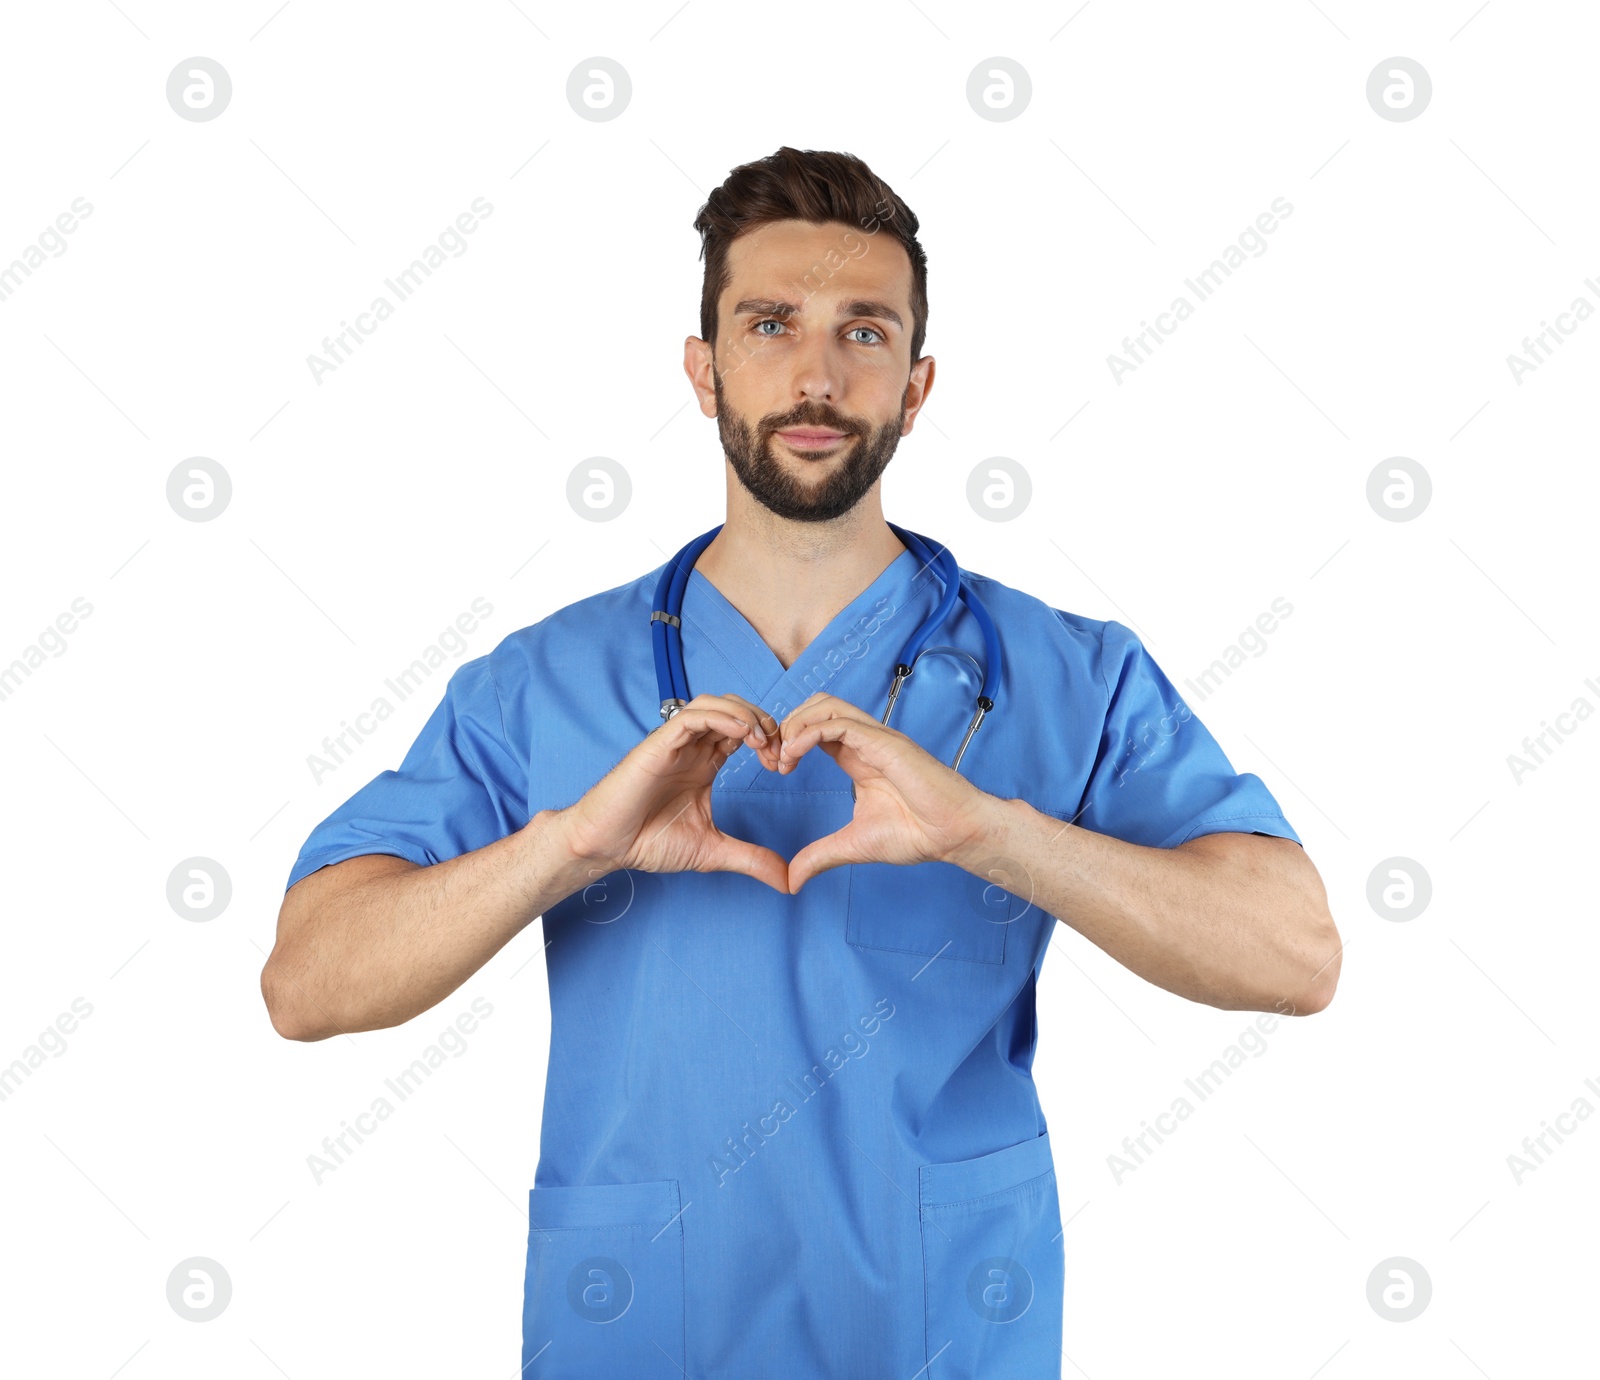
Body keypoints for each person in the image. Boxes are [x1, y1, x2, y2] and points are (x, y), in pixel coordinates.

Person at [263, 146, 1341, 1379]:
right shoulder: (542, 680)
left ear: (918, 384)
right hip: (643, 1327)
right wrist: (565, 847)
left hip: (943, 1333)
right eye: (769, 324)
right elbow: (308, 985)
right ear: (702, 366)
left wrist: (992, 831)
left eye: (864, 332)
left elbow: (1296, 956)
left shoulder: (1063, 672)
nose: (817, 374)